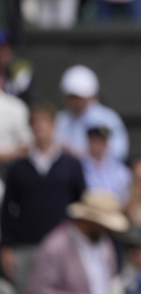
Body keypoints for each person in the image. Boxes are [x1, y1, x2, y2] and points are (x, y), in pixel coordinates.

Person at [0, 102, 85, 294]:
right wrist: (6, 246)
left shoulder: (71, 164)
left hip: (66, 245)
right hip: (27, 245)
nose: (41, 128)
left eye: (45, 123)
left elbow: (81, 203)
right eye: (36, 124)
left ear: (54, 126)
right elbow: (8, 210)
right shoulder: (18, 167)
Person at [28, 190, 129, 294]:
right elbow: (39, 289)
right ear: (89, 220)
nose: (106, 229)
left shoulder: (105, 243)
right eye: (102, 224)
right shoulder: (56, 247)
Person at [54, 65, 129, 161]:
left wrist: (87, 155)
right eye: (71, 97)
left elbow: (119, 152)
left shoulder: (109, 119)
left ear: (93, 95)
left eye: (79, 97)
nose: (75, 102)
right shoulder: (60, 119)